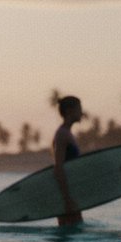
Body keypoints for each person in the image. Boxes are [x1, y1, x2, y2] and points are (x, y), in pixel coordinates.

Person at [52, 95, 84, 226]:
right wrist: (66, 199)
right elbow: (58, 168)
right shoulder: (62, 134)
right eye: (79, 109)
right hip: (66, 196)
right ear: (70, 111)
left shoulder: (67, 133)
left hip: (71, 193)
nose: (82, 113)